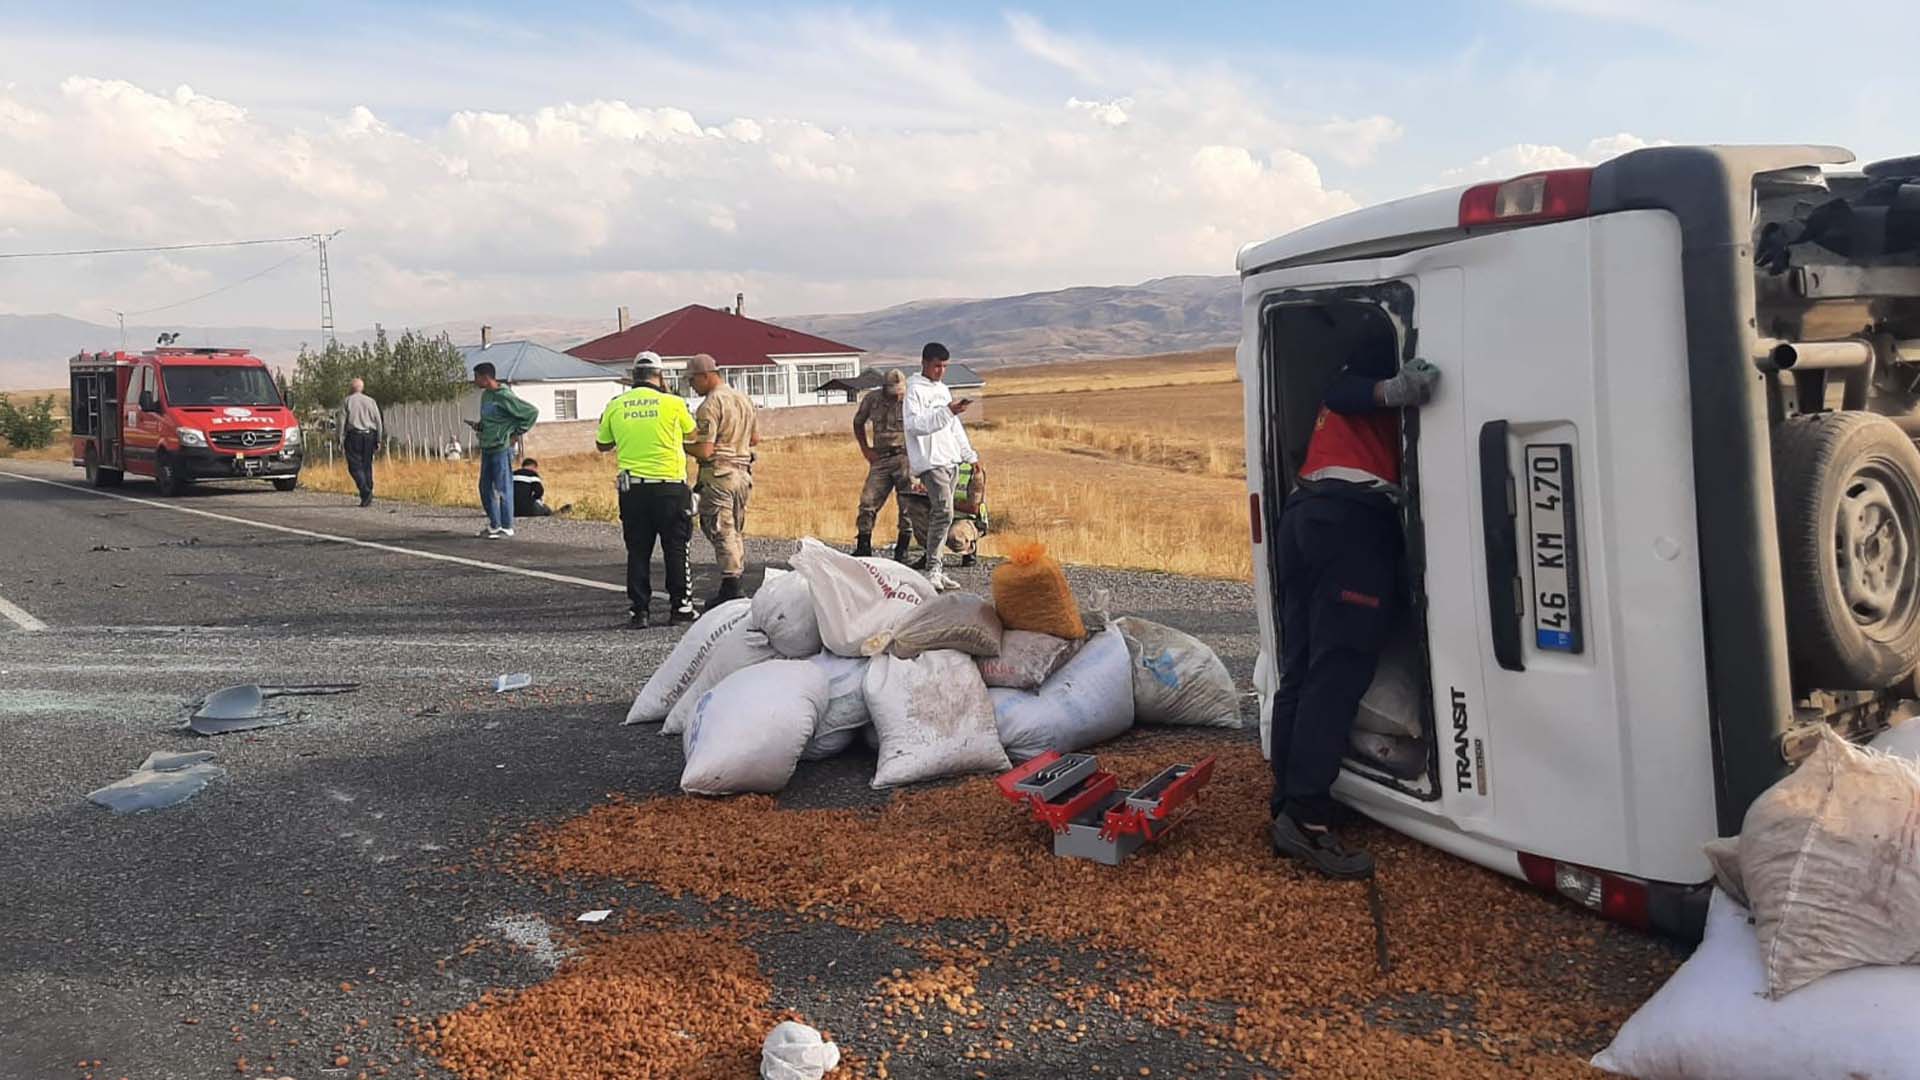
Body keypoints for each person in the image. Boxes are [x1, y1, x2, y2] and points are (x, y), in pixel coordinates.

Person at [1268, 340, 1440, 880]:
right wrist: (1395, 389)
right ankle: (1307, 819)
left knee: (1302, 669)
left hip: (1306, 517)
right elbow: (1342, 392)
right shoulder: (1374, 365)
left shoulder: (1359, 386)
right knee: (1336, 672)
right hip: (1348, 522)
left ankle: (1288, 798)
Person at [597, 357, 698, 628]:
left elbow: (602, 444)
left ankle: (639, 611)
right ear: (660, 376)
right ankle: (681, 608)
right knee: (676, 548)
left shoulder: (616, 405)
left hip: (632, 488)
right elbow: (693, 434)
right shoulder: (673, 403)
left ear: (634, 376)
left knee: (638, 550)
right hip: (670, 485)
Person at [684, 353, 759, 607]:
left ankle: (731, 585)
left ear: (706, 375)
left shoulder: (710, 405)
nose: (691, 385)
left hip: (718, 475)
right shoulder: (743, 399)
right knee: (735, 528)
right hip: (742, 472)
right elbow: (755, 439)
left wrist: (680, 445)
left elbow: (705, 449)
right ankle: (734, 578)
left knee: (720, 528)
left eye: (693, 380)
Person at [901, 342, 976, 592]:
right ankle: (933, 567)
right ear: (924, 363)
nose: (940, 371)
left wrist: (968, 455)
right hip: (930, 460)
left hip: (949, 459)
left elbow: (954, 427)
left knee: (943, 514)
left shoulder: (943, 390)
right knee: (944, 512)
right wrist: (947, 412)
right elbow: (915, 425)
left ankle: (937, 568)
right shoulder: (914, 391)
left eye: (944, 366)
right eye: (937, 366)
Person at [467, 362, 538, 539]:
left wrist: (515, 434)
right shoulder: (486, 396)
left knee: (503, 487)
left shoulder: (504, 396)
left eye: (476, 377)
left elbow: (531, 413)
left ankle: (507, 526)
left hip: (501, 448)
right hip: (487, 446)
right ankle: (494, 524)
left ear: (485, 377)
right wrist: (480, 426)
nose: (474, 381)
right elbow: (491, 420)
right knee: (485, 487)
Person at [851, 368, 913, 560]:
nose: (897, 397)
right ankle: (863, 546)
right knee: (868, 502)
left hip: (906, 457)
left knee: (908, 505)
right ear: (884, 388)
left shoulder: (912, 400)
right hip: (881, 458)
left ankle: (902, 550)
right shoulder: (873, 399)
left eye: (900, 392)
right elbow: (858, 423)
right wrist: (865, 449)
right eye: (893, 393)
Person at [903, 459, 988, 567]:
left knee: (955, 538)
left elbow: (973, 508)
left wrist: (943, 501)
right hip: (940, 514)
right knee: (915, 507)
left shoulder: (973, 471)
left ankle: (969, 549)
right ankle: (930, 553)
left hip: (964, 518)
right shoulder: (935, 466)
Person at [340, 377, 382, 507]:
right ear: (362, 388)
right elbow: (378, 421)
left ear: (351, 388)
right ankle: (368, 491)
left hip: (354, 436)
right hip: (369, 436)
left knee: (355, 467)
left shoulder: (347, 401)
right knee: (367, 465)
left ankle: (365, 490)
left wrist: (340, 439)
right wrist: (379, 439)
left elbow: (341, 422)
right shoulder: (371, 401)